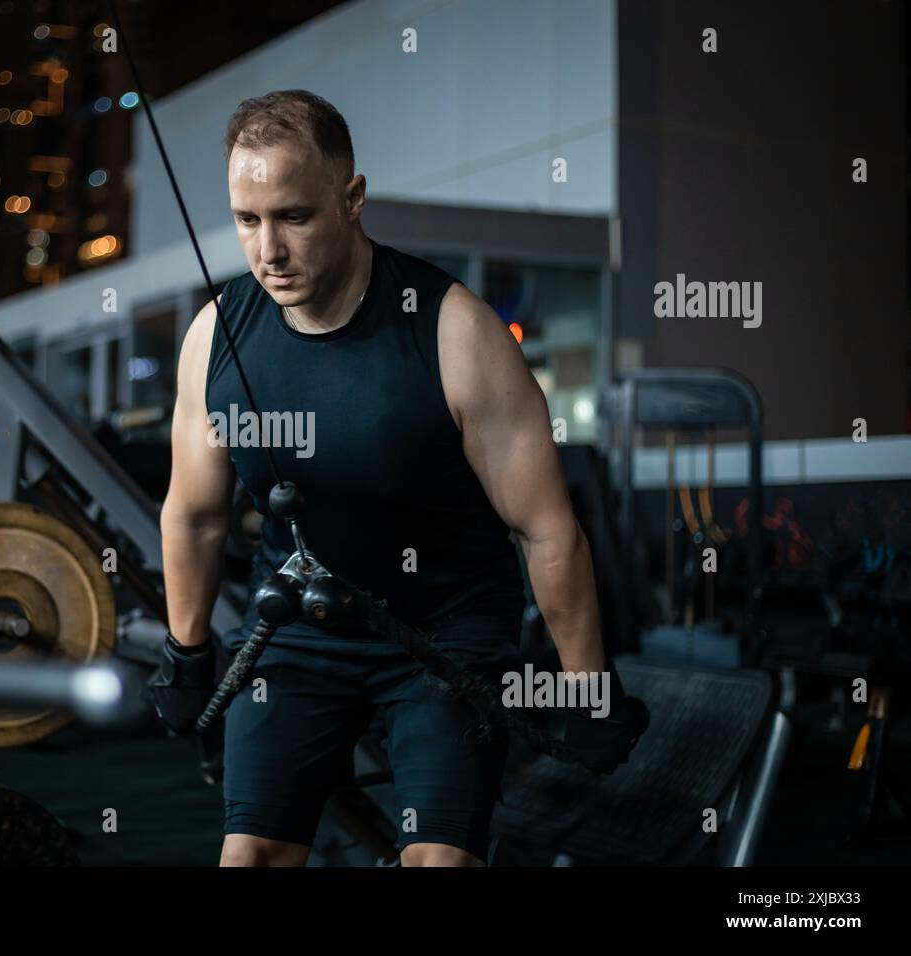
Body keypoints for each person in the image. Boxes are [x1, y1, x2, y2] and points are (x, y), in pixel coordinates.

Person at [151, 90, 631, 867]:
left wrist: (585, 685)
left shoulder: (453, 330)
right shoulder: (216, 337)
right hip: (300, 634)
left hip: (444, 633)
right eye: (248, 221)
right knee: (249, 857)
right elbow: (195, 515)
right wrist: (185, 651)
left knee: (437, 862)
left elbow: (545, 527)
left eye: (294, 217)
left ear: (352, 199)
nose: (268, 249)